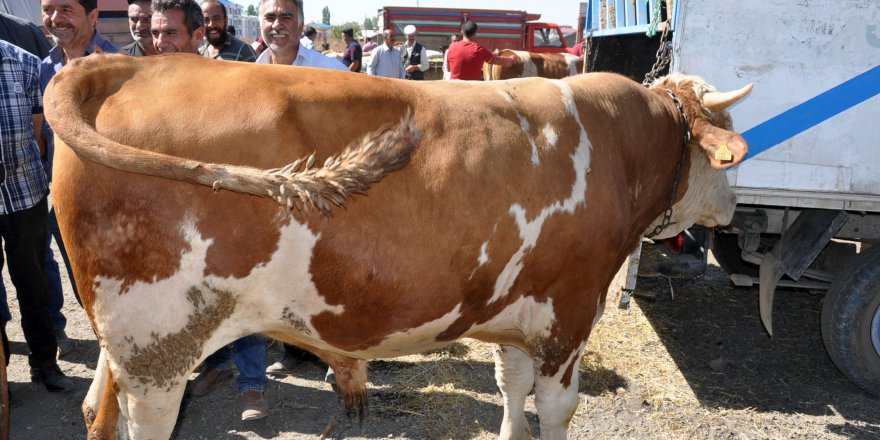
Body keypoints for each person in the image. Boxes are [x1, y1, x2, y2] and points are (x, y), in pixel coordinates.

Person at [256, 0, 346, 381]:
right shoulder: (246, 73)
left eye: (285, 16)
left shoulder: (331, 71)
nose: (277, 24)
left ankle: (341, 356)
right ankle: (296, 350)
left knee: (332, 274)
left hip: (326, 194)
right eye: (270, 17)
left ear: (302, 23)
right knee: (286, 275)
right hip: (275, 195)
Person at [41, 0, 120, 355]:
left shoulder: (121, 64)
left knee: (123, 278)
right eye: (48, 9)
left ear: (92, 16)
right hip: (67, 200)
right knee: (84, 278)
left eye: (66, 9)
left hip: (117, 199)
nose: (55, 18)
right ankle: (106, 346)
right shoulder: (44, 69)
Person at [0, 38, 75, 393]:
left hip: (24, 193)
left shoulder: (25, 63)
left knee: (33, 284)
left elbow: (37, 130)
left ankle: (45, 365)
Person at [446, 21, 516, 81]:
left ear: (462, 32)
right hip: (472, 90)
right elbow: (496, 60)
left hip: (454, 88)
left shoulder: (451, 47)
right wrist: (511, 59)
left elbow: (449, 69)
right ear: (475, 34)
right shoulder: (479, 50)